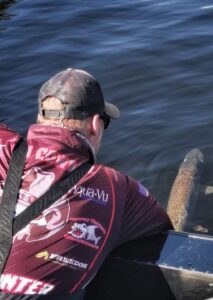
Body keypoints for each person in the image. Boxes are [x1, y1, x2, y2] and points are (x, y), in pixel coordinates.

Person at [0, 68, 173, 299]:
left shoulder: (4, 147)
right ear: (94, 124)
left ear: (40, 117)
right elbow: (164, 230)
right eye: (105, 122)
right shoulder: (116, 186)